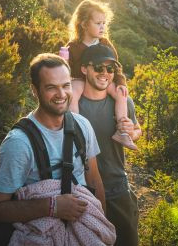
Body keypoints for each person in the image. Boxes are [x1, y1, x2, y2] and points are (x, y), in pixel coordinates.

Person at [0, 53, 106, 243]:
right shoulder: (18, 143)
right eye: (51, 88)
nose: (61, 95)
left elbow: (94, 179)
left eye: (65, 85)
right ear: (34, 90)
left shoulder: (83, 126)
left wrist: (101, 225)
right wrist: (52, 207)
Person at [78, 44, 142, 246]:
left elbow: (138, 131)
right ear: (83, 69)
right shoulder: (72, 103)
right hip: (82, 191)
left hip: (117, 188)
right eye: (98, 67)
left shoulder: (123, 102)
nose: (105, 73)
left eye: (110, 69)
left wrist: (132, 131)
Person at [64, 0, 137, 150]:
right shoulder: (73, 46)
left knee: (120, 94)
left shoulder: (105, 44)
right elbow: (65, 68)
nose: (102, 27)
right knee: (74, 92)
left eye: (104, 23)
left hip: (102, 80)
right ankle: (76, 128)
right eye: (98, 23)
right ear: (84, 24)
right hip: (80, 79)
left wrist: (121, 83)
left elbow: (116, 67)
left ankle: (122, 131)